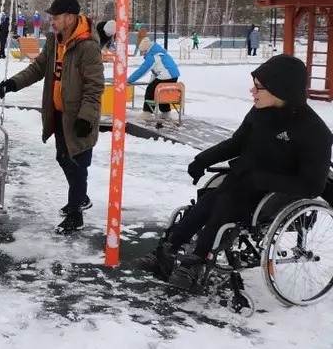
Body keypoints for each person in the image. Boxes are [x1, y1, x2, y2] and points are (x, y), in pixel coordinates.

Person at [137, 55, 332, 290]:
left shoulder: (314, 132)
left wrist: (260, 180)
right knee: (205, 204)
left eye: (259, 87)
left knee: (222, 207)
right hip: (242, 182)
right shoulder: (259, 112)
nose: (252, 91)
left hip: (274, 195)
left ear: (282, 89)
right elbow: (236, 143)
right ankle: (167, 249)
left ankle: (195, 261)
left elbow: (312, 186)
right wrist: (202, 160)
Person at [0, 0, 104, 233]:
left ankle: (76, 213)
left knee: (77, 163)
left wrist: (86, 117)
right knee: (63, 158)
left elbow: (95, 86)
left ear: (70, 17)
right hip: (58, 113)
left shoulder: (87, 46)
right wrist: (13, 83)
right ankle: (81, 198)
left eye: (55, 18)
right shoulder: (54, 41)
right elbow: (39, 67)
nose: (52, 22)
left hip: (79, 117)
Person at [127, 37, 181, 121]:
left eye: (143, 51)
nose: (143, 53)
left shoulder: (152, 56)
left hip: (165, 76)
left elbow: (142, 70)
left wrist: (129, 80)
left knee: (150, 91)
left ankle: (147, 113)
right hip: (173, 75)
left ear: (147, 49)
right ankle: (165, 112)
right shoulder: (159, 52)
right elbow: (157, 70)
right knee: (164, 92)